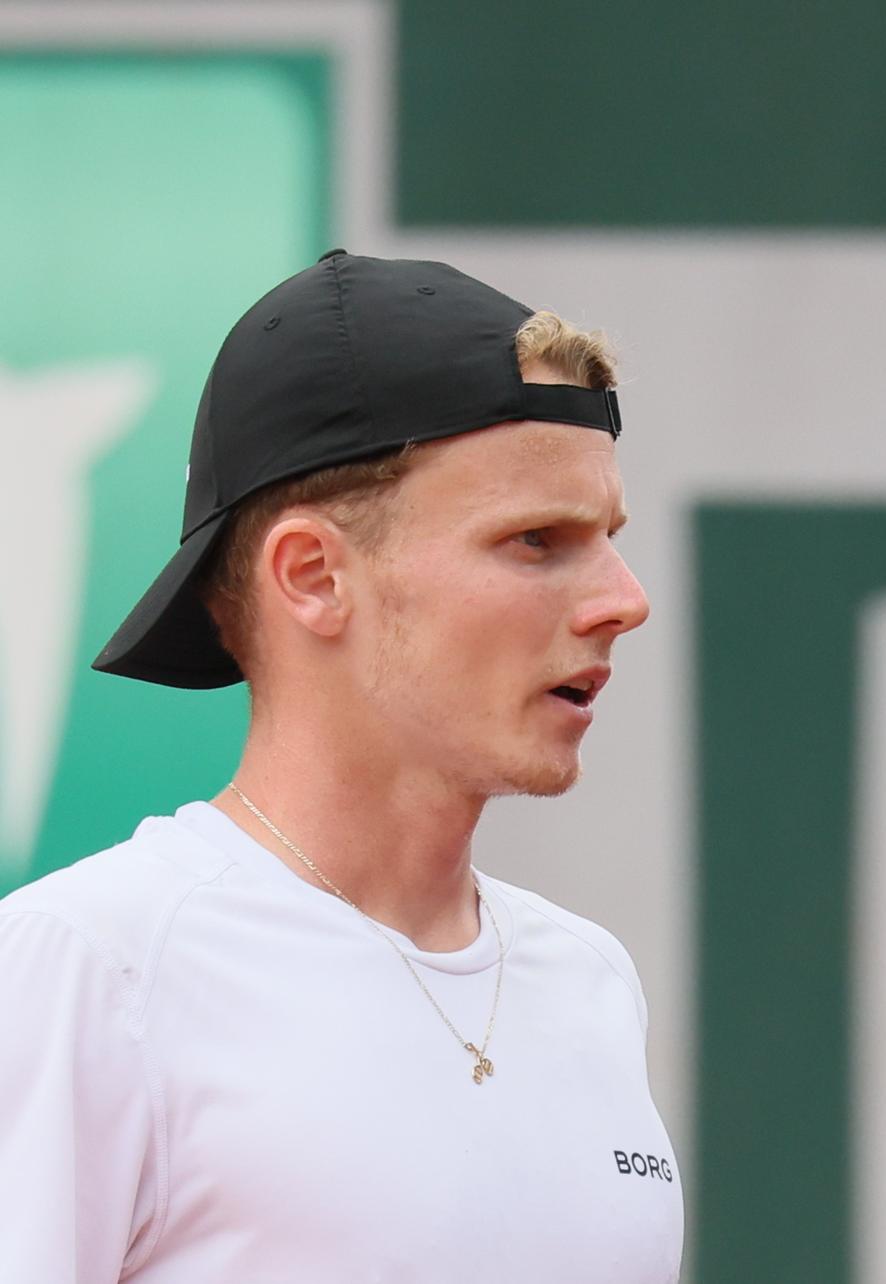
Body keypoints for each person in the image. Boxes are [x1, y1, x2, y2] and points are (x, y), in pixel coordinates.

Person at [0, 251, 681, 1281]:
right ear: (314, 577)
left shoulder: (590, 981)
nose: (623, 599)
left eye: (608, 538)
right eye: (538, 540)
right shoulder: (87, 969)